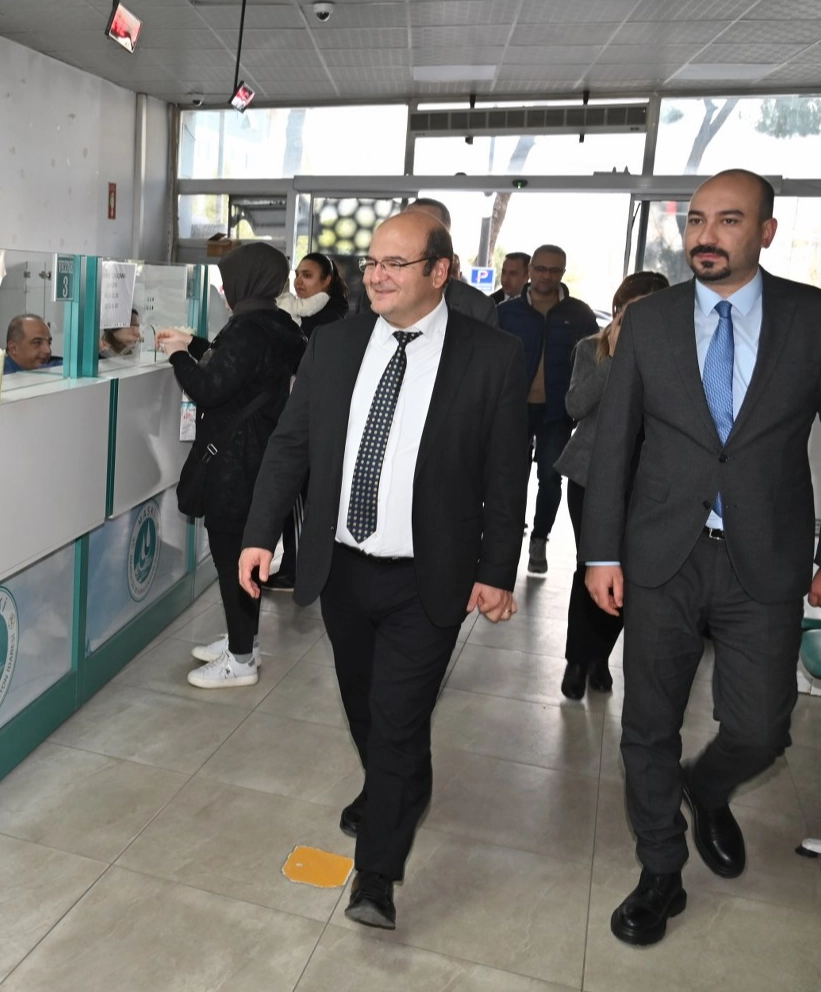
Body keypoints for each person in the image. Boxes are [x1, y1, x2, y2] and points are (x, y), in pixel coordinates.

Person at [582, 169, 821, 947]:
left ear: (766, 232)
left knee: (761, 728)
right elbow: (614, 444)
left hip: (766, 558)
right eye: (697, 220)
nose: (706, 236)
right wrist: (600, 552)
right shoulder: (650, 320)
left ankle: (706, 789)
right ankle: (660, 870)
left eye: (729, 220)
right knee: (647, 724)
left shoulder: (816, 318)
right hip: (662, 556)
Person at [238, 212, 527, 931]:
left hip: (428, 576)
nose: (376, 276)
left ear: (440, 271)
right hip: (341, 569)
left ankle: (376, 873)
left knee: (398, 716)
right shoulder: (334, 344)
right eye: (371, 262)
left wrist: (498, 569)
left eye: (396, 263)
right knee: (367, 708)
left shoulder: (491, 356)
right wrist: (259, 535)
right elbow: (291, 444)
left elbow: (505, 474)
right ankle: (399, 786)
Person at [156, 243, 306, 689]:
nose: (225, 289)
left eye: (228, 280)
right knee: (244, 555)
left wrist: (178, 355)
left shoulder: (246, 328)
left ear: (246, 280)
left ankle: (240, 661)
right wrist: (195, 344)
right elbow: (241, 371)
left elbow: (210, 387)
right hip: (260, 455)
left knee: (232, 560)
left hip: (235, 463)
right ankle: (245, 641)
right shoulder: (278, 324)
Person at [552, 271, 670, 700]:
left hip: (648, 481)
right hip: (590, 476)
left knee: (628, 572)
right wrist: (617, 358)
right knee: (591, 565)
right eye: (630, 311)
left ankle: (600, 655)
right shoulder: (591, 348)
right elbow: (575, 405)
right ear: (618, 310)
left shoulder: (674, 354)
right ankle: (576, 659)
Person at [497, 244, 599, 574]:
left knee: (551, 478)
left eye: (554, 270)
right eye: (541, 268)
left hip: (557, 411)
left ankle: (539, 539)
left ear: (562, 273)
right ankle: (507, 536)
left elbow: (594, 360)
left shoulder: (579, 313)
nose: (546, 275)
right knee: (509, 477)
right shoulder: (507, 313)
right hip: (513, 409)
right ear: (530, 271)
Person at [263, 253, 351, 594]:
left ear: (327, 281)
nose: (299, 281)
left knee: (301, 496)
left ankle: (298, 570)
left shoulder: (327, 319)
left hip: (315, 419)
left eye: (309, 275)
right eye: (297, 274)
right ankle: (296, 566)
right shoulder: (298, 313)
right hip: (299, 412)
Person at [401, 199, 500, 328]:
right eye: (407, 226)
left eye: (424, 227)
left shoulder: (478, 308)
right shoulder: (379, 294)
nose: (413, 234)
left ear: (446, 237)